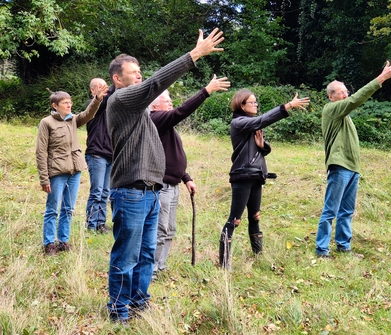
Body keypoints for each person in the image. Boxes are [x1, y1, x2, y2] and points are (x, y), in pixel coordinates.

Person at [106, 28, 224, 323]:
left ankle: (138, 302)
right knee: (126, 256)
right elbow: (156, 83)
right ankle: (118, 312)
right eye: (133, 73)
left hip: (150, 191)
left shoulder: (142, 112)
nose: (139, 76)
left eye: (139, 72)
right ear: (117, 79)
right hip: (131, 190)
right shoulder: (121, 101)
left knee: (146, 254)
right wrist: (195, 54)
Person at [315, 61, 391, 258]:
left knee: (346, 211)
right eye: (340, 92)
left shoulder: (345, 116)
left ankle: (344, 248)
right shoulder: (331, 110)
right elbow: (355, 100)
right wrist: (381, 78)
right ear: (331, 97)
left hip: (353, 168)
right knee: (331, 210)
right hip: (340, 167)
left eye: (346, 91)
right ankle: (322, 250)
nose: (345, 95)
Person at [150, 75, 231, 280]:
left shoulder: (167, 125)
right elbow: (182, 111)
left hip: (174, 184)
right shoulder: (156, 119)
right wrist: (206, 91)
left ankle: (161, 266)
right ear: (154, 106)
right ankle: (151, 270)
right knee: (160, 229)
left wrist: (186, 178)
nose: (170, 103)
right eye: (166, 100)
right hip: (162, 186)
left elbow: (172, 156)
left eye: (170, 100)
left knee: (170, 229)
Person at [219, 89, 310, 269]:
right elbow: (261, 121)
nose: (256, 105)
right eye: (252, 102)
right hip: (242, 176)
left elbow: (256, 149)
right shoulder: (240, 122)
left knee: (255, 217)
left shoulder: (251, 124)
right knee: (234, 220)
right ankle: (224, 263)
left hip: (256, 175)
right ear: (241, 105)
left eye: (256, 102)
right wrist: (288, 106)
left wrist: (263, 146)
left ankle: (259, 257)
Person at [36, 84, 108, 256]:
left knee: (68, 209)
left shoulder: (73, 119)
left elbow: (89, 114)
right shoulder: (46, 123)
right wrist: (44, 179)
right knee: (52, 209)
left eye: (70, 102)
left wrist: (97, 100)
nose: (69, 105)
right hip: (57, 172)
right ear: (55, 105)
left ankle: (63, 241)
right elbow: (41, 152)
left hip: (75, 171)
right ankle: (48, 244)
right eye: (65, 103)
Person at [85, 78, 115, 233]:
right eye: (100, 87)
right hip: (96, 154)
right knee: (97, 191)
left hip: (110, 154)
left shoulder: (110, 107)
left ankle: (100, 224)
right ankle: (91, 224)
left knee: (105, 192)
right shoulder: (91, 107)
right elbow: (101, 103)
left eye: (105, 87)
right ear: (92, 90)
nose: (104, 90)